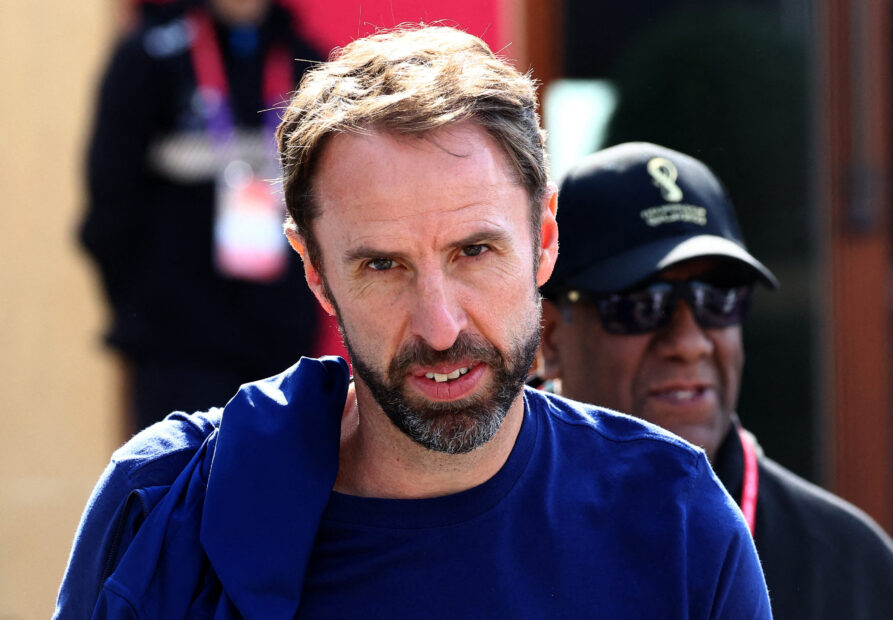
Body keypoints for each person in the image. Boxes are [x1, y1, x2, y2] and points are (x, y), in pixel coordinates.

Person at [55, 28, 772, 618]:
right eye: (382, 266)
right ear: (315, 271)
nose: (439, 326)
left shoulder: (674, 521)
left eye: (474, 252)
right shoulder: (165, 508)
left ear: (545, 239)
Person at [538, 142, 893, 620]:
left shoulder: (852, 567)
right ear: (550, 336)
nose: (690, 342)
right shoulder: (476, 525)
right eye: (642, 303)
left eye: (719, 298)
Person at [80, 0, 332, 432]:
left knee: (274, 472)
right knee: (181, 474)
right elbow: (109, 206)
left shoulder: (306, 62)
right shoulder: (150, 55)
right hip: (176, 344)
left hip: (280, 340)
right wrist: (144, 312)